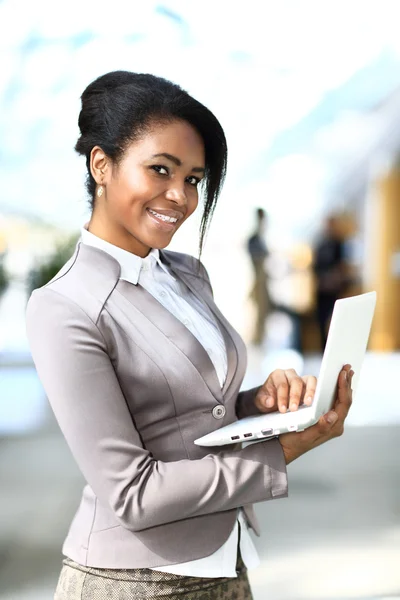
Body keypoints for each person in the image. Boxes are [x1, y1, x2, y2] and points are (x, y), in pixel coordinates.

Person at [25, 71, 354, 600]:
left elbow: (195, 415)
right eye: (161, 170)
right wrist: (287, 447)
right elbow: (133, 494)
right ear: (101, 165)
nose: (180, 196)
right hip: (133, 582)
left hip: (228, 560)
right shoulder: (64, 308)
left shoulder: (185, 274)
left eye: (195, 179)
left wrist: (262, 404)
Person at [313, 216, 348, 350]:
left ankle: (335, 349)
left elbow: (341, 266)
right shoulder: (320, 244)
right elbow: (315, 267)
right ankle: (324, 350)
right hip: (322, 290)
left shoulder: (338, 243)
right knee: (322, 323)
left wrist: (334, 279)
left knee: (335, 321)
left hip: (334, 290)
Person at [247, 208, 270, 345]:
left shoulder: (259, 238)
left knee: (263, 311)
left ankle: (259, 339)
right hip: (258, 279)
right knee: (260, 311)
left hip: (262, 279)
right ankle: (257, 340)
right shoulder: (254, 239)